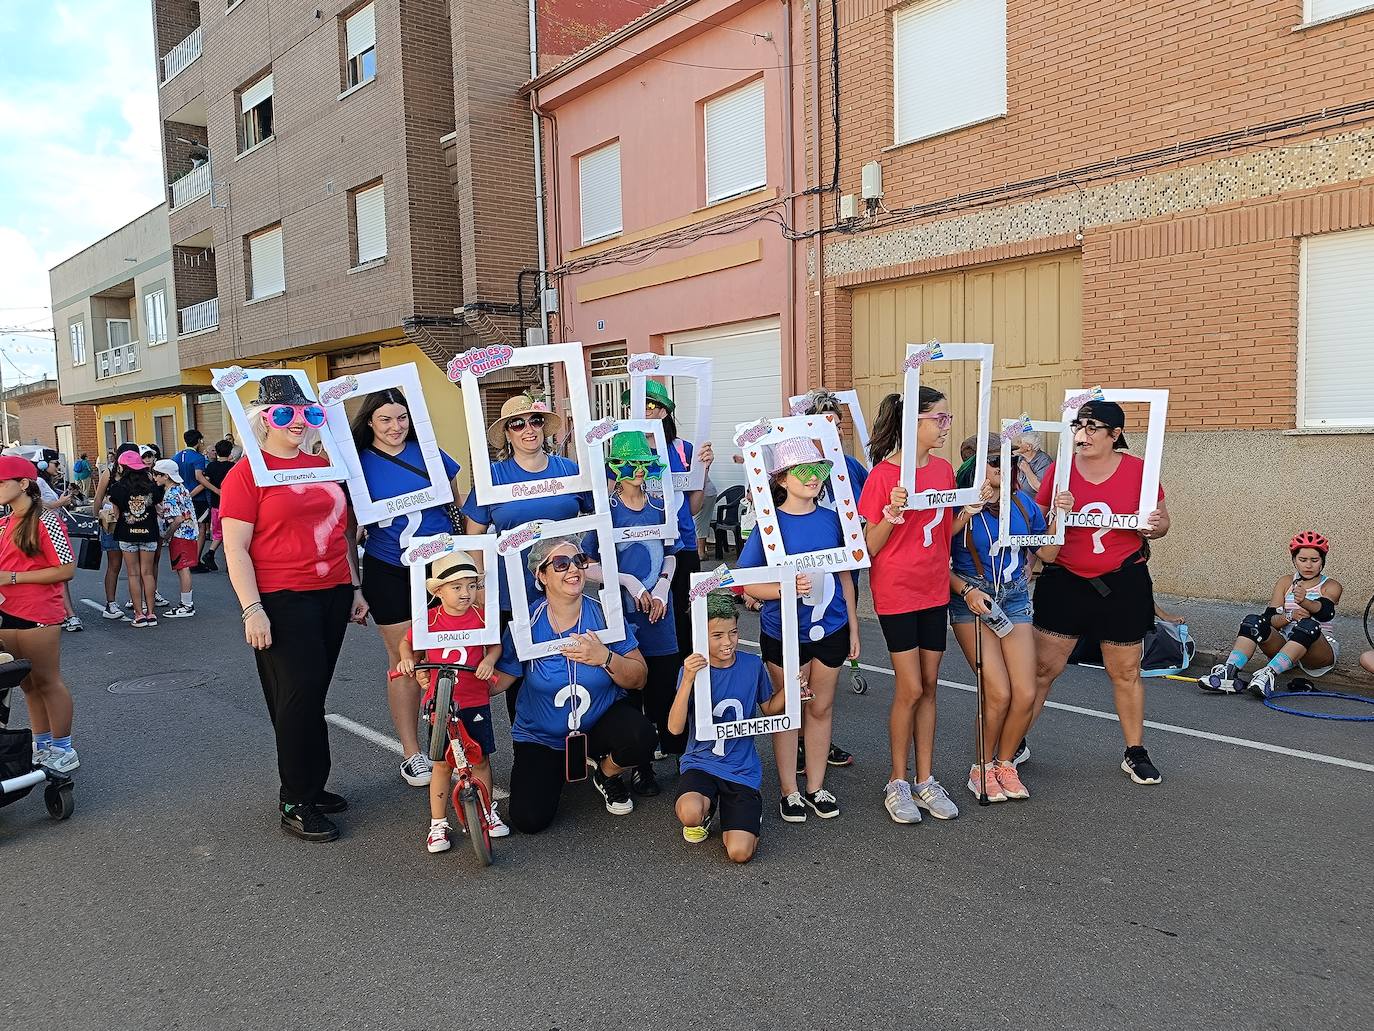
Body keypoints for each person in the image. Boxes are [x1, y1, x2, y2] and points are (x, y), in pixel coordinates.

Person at [220, 374, 368, 843]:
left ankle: (313, 783)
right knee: (297, 695)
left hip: (332, 591)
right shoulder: (247, 473)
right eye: (283, 414)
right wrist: (251, 609)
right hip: (281, 598)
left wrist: (355, 587)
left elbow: (344, 532)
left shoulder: (322, 465)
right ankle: (295, 799)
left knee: (312, 694)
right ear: (262, 419)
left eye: (307, 413)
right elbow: (235, 548)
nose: (296, 423)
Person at [1028, 399, 1169, 785]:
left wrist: (1156, 525)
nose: (1082, 434)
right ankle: (1014, 742)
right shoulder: (1060, 469)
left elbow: (1160, 521)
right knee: (1043, 670)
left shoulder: (1140, 470)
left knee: (1125, 671)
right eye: (1079, 425)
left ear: (1115, 434)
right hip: (1066, 578)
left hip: (1122, 579)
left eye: (1093, 427)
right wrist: (1056, 512)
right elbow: (1039, 525)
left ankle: (1135, 752)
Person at [490, 536, 653, 834]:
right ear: (541, 575)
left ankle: (606, 773)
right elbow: (500, 680)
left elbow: (640, 676)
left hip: (597, 723)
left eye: (578, 560)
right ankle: (553, 768)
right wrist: (455, 680)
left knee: (641, 736)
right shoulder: (528, 624)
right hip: (542, 735)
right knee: (529, 820)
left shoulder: (604, 614)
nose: (573, 569)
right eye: (561, 564)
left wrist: (605, 657)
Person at [738, 437, 859, 823]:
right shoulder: (770, 524)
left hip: (833, 628)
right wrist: (784, 588)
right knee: (790, 709)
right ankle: (789, 790)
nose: (814, 479)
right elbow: (742, 581)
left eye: (820, 470)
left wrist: (854, 628)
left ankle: (816, 786)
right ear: (783, 480)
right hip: (784, 632)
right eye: (803, 472)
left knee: (821, 708)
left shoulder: (834, 519)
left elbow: (846, 576)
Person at [350, 388, 465, 789]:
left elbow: (458, 504)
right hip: (389, 568)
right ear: (370, 423)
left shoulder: (428, 452)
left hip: (442, 564)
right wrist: (355, 587)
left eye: (402, 418)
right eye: (385, 419)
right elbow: (349, 532)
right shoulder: (358, 464)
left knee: (453, 650)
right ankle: (412, 752)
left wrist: (472, 560)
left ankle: (454, 739)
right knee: (405, 658)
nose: (395, 427)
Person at [857, 388, 961, 825]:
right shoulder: (883, 476)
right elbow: (869, 546)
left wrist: (968, 512)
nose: (946, 426)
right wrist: (891, 516)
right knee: (911, 687)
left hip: (935, 589)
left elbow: (943, 533)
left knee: (931, 686)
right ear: (913, 423)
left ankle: (925, 778)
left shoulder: (943, 470)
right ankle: (897, 780)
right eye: (939, 418)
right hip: (898, 591)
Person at [462, 391, 593, 722]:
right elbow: (473, 535)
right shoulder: (493, 477)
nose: (528, 429)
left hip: (565, 589)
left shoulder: (569, 470)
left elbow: (597, 521)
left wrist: (589, 560)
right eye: (517, 424)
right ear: (507, 433)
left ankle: (574, 738)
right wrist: (478, 583)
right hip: (512, 591)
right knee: (519, 670)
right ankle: (529, 741)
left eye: (535, 421)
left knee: (569, 661)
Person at [947, 447, 1069, 802]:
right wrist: (966, 589)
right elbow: (935, 559)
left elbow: (1047, 553)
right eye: (995, 461)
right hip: (972, 598)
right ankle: (980, 768)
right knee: (997, 692)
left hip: (1014, 598)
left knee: (1026, 692)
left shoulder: (1020, 503)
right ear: (976, 467)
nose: (1006, 467)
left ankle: (1005, 763)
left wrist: (1060, 515)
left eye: (1010, 461)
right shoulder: (960, 507)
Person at [396, 550, 507, 852]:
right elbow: (407, 644)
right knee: (443, 764)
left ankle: (486, 810)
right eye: (457, 587)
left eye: (471, 585)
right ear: (439, 590)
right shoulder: (429, 619)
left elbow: (495, 645)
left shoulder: (481, 617)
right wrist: (408, 661)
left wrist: (489, 661)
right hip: (440, 702)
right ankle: (437, 823)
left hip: (473, 699)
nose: (465, 593)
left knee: (480, 757)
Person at [669, 591, 790, 863]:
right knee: (690, 813)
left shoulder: (751, 664)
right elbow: (675, 728)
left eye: (733, 633)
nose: (728, 642)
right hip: (701, 762)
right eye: (717, 636)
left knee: (739, 853)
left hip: (740, 768)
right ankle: (707, 809)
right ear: (700, 635)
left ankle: (741, 813)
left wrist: (792, 690)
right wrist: (687, 680)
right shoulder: (692, 669)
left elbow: (769, 708)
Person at [592, 431, 680, 797]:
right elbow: (587, 562)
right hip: (622, 617)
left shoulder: (661, 504)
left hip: (660, 614)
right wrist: (627, 580)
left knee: (661, 689)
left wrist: (661, 586)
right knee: (628, 691)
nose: (640, 471)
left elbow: (673, 550)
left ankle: (663, 761)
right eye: (632, 464)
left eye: (646, 463)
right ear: (616, 467)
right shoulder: (605, 511)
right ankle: (634, 764)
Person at [793, 387, 869, 770]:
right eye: (823, 425)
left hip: (841, 574)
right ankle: (800, 743)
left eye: (837, 425)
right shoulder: (794, 472)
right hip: (801, 579)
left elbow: (865, 510)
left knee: (827, 668)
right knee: (800, 670)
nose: (833, 432)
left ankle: (818, 740)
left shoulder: (852, 468)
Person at [629, 379, 715, 683]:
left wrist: (702, 470)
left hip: (683, 546)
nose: (646, 411)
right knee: (644, 616)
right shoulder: (626, 449)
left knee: (684, 617)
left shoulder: (684, 449)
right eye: (640, 405)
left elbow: (693, 507)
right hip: (640, 547)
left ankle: (687, 685)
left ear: (665, 412)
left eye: (652, 405)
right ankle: (648, 682)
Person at [0, 456, 78, 773]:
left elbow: (67, 568)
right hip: (7, 614)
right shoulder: (5, 523)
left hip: (39, 614)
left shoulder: (46, 519)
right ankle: (41, 743)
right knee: (26, 685)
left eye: (1, 483)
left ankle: (63, 748)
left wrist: (15, 578)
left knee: (47, 682)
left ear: (23, 484)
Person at [1197, 532, 1344, 699]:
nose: (1308, 565)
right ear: (1294, 560)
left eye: (1314, 560)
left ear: (1322, 561)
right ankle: (1228, 672)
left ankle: (1268, 675)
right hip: (1287, 646)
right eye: (1303, 560)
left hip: (1318, 650)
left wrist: (1304, 601)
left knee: (1308, 625)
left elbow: (1325, 612)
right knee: (1253, 622)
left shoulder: (1331, 585)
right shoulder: (1285, 582)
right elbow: (1270, 619)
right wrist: (1290, 616)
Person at [108, 450, 163, 628]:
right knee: (147, 573)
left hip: (127, 533)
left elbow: (116, 514)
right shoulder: (152, 486)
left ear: (123, 467)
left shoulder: (117, 488)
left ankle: (139, 614)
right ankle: (151, 613)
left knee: (133, 573)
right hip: (149, 533)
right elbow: (158, 507)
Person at [92, 442, 140, 619]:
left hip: (133, 522)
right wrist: (96, 518)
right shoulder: (110, 473)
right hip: (112, 523)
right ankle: (111, 603)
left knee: (134, 565)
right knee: (115, 563)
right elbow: (98, 497)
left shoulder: (138, 471)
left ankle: (135, 601)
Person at [151, 459, 198, 618]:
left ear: (166, 476)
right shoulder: (181, 488)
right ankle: (186, 603)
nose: (154, 477)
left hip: (179, 535)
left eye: (157, 474)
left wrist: (166, 535)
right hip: (190, 532)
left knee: (182, 568)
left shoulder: (170, 494)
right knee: (184, 567)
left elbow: (177, 519)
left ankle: (186, 605)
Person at [195, 439, 235, 572]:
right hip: (230, 503)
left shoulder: (211, 467)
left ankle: (210, 553)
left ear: (216, 452)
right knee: (231, 534)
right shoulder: (233, 467)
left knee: (218, 533)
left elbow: (205, 481)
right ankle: (228, 563)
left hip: (215, 503)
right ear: (230, 452)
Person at [172, 430, 211, 564]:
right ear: (199, 441)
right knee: (201, 528)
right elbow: (199, 477)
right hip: (197, 498)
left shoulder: (175, 457)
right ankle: (195, 560)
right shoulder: (198, 457)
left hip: (181, 496)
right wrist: (215, 489)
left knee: (185, 528)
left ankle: (184, 557)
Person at [1012, 431, 1054, 496]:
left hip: (1034, 503)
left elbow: (1041, 488)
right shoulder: (1021, 457)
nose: (1016, 445)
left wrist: (1027, 470)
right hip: (1020, 500)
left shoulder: (1044, 461)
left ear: (1029, 447)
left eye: (1019, 442)